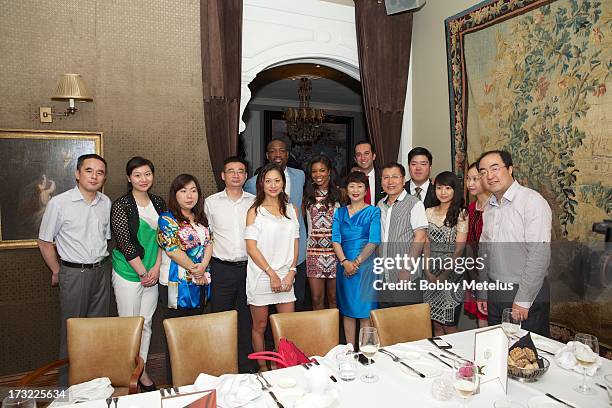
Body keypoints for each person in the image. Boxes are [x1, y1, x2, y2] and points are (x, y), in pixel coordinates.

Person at [37, 154, 111, 385]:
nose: (94, 176)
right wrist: (58, 270)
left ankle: (94, 386)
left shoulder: (105, 202)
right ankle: (67, 390)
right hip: (73, 274)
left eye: (99, 172)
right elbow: (44, 241)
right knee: (73, 335)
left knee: (97, 332)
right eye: (89, 170)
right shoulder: (59, 203)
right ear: (77, 174)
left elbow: (104, 238)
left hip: (101, 272)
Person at [476, 150, 552, 336]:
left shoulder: (531, 202)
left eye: (495, 169)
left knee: (526, 358)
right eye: (483, 172)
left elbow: (539, 254)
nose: (489, 176)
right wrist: (483, 290)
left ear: (510, 169)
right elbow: (484, 253)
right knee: (498, 350)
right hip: (496, 291)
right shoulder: (489, 208)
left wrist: (523, 300)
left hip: (525, 293)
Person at [110, 157, 165, 391]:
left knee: (147, 324)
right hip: (128, 272)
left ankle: (141, 371)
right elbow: (125, 244)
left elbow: (165, 238)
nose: (143, 179)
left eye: (147, 174)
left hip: (152, 271)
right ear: (129, 178)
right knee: (130, 326)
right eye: (138, 175)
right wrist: (143, 272)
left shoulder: (159, 203)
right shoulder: (121, 205)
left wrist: (155, 268)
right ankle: (126, 376)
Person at [157, 174, 212, 382]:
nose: (189, 196)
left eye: (193, 190)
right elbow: (171, 250)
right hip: (176, 285)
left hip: (199, 284)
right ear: (175, 194)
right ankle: (176, 382)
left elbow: (209, 243)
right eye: (183, 191)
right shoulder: (167, 219)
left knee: (195, 333)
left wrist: (203, 266)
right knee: (176, 334)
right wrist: (194, 269)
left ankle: (194, 379)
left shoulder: (201, 218)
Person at [204, 156, 257, 373]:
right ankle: (221, 365)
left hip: (249, 268)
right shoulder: (211, 202)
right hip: (221, 268)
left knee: (247, 319)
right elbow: (207, 236)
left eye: (240, 171)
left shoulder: (255, 201)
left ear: (246, 176)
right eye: (231, 171)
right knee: (221, 317)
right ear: (223, 175)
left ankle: (246, 367)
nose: (236, 175)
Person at [245, 163, 300, 371]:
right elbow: (251, 247)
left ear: (283, 183)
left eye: (277, 180)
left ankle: (282, 366)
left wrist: (292, 271)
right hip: (262, 276)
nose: (273, 185)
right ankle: (263, 367)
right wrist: (271, 274)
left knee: (285, 327)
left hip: (287, 275)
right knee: (260, 326)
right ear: (261, 184)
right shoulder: (255, 211)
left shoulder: (292, 210)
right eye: (268, 181)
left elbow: (295, 242)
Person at [245, 138, 307, 310]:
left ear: (288, 154)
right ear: (267, 155)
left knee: (298, 300)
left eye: (281, 150)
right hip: (265, 258)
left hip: (293, 251)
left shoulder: (300, 176)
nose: (277, 154)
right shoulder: (252, 183)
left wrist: (292, 268)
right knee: (262, 320)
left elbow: (300, 207)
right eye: (273, 151)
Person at [332, 171, 381, 348]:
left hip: (366, 267)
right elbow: (335, 239)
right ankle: (350, 351)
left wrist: (357, 262)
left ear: (366, 189)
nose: (355, 190)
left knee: (365, 312)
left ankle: (365, 351)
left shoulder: (373, 211)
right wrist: (345, 262)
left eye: (360, 186)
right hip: (344, 266)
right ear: (346, 189)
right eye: (352, 186)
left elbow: (374, 240)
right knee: (347, 311)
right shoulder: (339, 212)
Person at [423, 171, 468, 336]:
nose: (443, 192)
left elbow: (459, 248)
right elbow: (426, 244)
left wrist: (444, 274)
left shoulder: (461, 213)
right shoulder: (428, 211)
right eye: (439, 188)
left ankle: (456, 359)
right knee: (434, 324)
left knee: (449, 325)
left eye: (448, 188)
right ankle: (440, 359)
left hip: (452, 274)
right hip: (430, 272)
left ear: (455, 190)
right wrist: (427, 271)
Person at [376, 162, 428, 307]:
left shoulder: (414, 204)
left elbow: (420, 237)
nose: (390, 181)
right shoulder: (380, 205)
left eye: (395, 177)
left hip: (406, 278)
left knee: (407, 326)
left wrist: (406, 268)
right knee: (385, 324)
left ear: (403, 179)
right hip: (384, 277)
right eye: (386, 177)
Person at [303, 155, 343, 310]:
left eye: (322, 170)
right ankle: (318, 334)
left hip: (335, 252)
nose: (318, 174)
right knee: (316, 298)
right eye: (314, 171)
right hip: (313, 252)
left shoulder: (340, 194)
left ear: (329, 172)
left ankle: (333, 334)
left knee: (334, 298)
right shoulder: (306, 195)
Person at [463, 162, 489, 328]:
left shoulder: (495, 208)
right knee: (481, 318)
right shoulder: (470, 209)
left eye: (475, 179)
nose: (470, 184)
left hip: (492, 272)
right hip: (473, 271)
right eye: (468, 179)